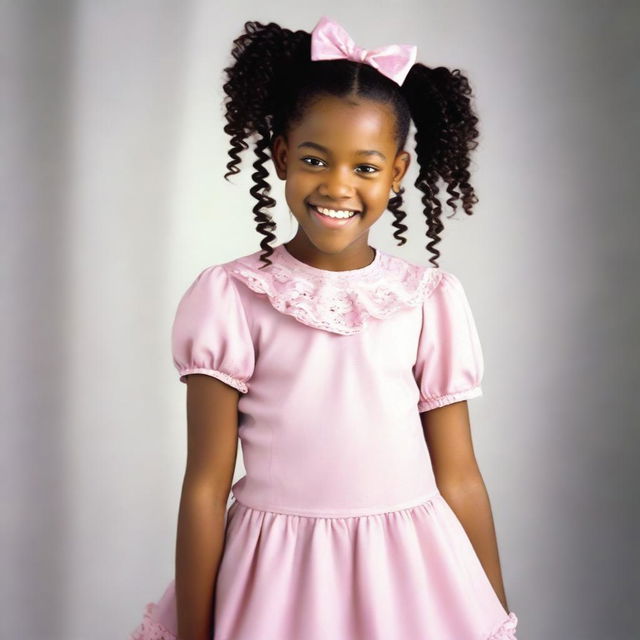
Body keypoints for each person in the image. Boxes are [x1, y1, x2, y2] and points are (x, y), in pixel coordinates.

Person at [128, 15, 520, 640]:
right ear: (282, 157)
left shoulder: (428, 300)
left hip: (409, 575)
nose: (337, 186)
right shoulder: (231, 296)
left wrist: (497, 617)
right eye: (315, 159)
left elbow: (460, 476)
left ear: (397, 173)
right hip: (276, 576)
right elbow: (205, 486)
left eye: (365, 168)